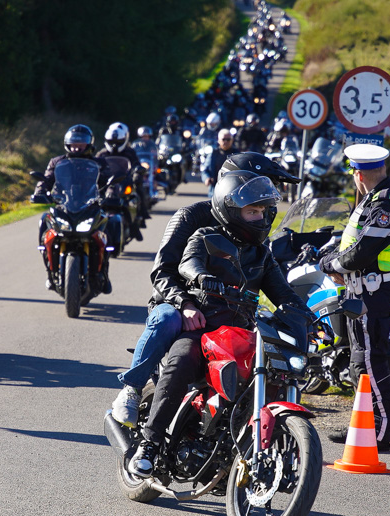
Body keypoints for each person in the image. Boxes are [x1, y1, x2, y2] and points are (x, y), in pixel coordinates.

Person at [127, 170, 310, 477]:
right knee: (182, 360)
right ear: (232, 211)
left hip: (239, 332)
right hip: (202, 328)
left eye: (263, 211)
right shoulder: (206, 237)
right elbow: (188, 262)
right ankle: (150, 444)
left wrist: (310, 317)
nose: (260, 218)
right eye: (252, 211)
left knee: (270, 373)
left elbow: (284, 294)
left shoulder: (261, 255)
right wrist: (200, 278)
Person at [110, 152, 299, 428]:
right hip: (177, 302)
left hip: (226, 312)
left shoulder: (251, 219)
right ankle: (132, 389)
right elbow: (162, 271)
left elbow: (265, 275)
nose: (264, 197)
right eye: (256, 184)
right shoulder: (191, 217)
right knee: (167, 319)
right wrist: (185, 303)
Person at [317, 143, 390, 452]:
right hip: (364, 289)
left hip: (375, 290)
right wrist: (330, 257)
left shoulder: (386, 206)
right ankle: (364, 425)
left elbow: (364, 250)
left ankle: (379, 432)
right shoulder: (376, 199)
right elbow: (354, 242)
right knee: (362, 360)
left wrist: (332, 264)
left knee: (371, 360)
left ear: (358, 173)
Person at [30, 124, 112, 291]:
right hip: (64, 206)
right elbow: (46, 180)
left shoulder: (99, 163)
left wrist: (111, 194)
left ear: (89, 144)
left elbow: (108, 182)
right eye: (74, 143)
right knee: (44, 221)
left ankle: (103, 272)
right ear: (67, 143)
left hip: (90, 206)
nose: (77, 147)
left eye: (81, 143)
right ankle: (49, 268)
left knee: (108, 224)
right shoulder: (57, 162)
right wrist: (40, 192)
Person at [95, 122, 149, 227]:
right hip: (105, 184)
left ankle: (141, 216)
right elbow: (93, 166)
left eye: (118, 141)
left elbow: (136, 164)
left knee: (139, 190)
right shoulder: (102, 154)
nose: (114, 144)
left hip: (124, 181)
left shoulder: (129, 152)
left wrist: (137, 174)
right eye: (112, 141)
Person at [201, 129, 239, 198]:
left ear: (232, 140)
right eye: (223, 139)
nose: (225, 142)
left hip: (233, 191)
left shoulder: (237, 155)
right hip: (215, 191)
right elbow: (205, 170)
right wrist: (207, 178)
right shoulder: (213, 154)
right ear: (218, 140)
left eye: (228, 139)